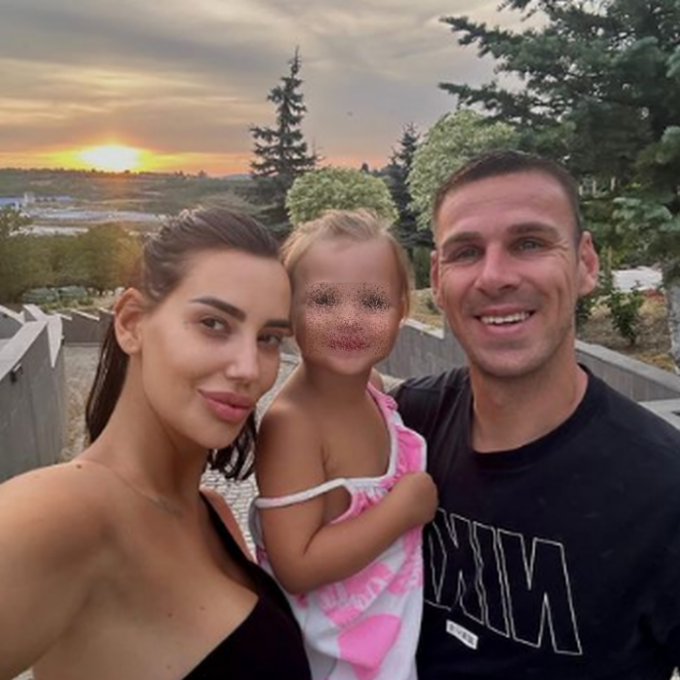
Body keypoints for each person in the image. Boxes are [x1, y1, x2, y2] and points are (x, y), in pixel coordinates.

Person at [392, 150, 680, 679]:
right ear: (438, 277)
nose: (494, 276)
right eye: (466, 252)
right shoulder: (405, 428)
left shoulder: (665, 487)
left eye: (529, 243)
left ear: (586, 264)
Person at [0, 207, 312, 680]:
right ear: (131, 322)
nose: (249, 368)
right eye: (214, 324)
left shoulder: (212, 512)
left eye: (269, 338)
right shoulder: (60, 515)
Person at [249, 209, 438, 680]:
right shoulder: (293, 425)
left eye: (373, 301)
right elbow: (296, 564)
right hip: (337, 661)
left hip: (391, 638)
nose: (349, 319)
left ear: (401, 311)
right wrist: (401, 509)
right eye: (324, 300)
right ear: (289, 313)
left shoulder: (371, 388)